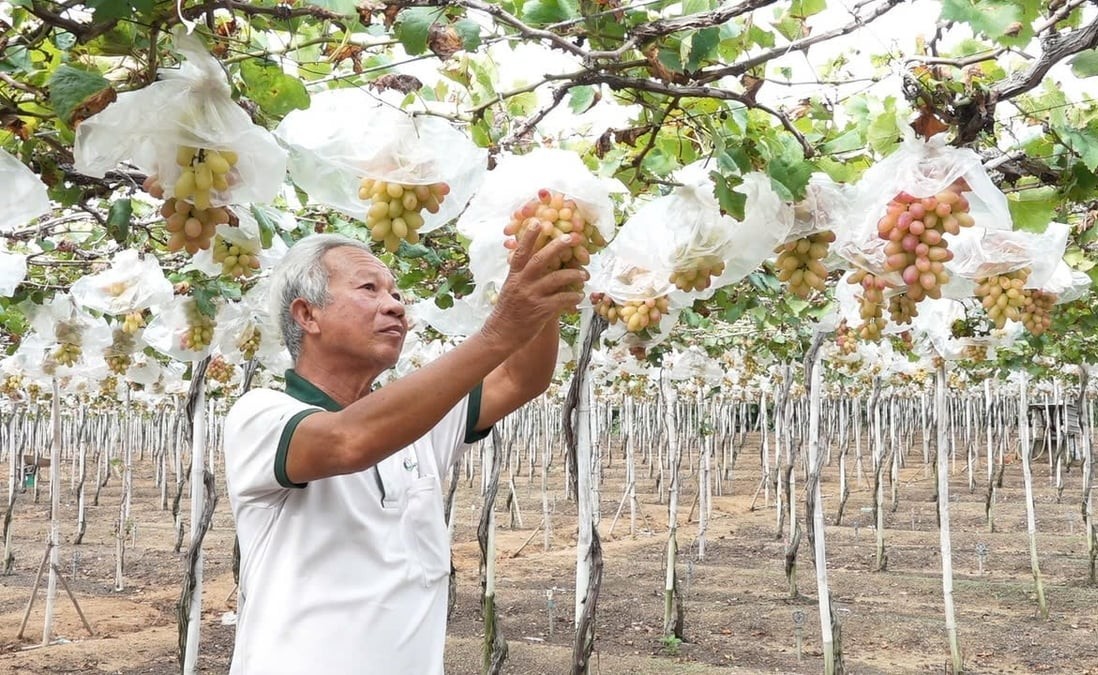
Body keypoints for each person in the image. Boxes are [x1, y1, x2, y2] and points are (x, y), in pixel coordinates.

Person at [223, 225, 585, 674]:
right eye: (369, 289)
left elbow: (519, 379)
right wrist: (499, 332)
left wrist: (541, 298)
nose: (395, 305)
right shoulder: (262, 415)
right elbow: (348, 440)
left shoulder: (416, 421)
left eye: (395, 293)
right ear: (307, 315)